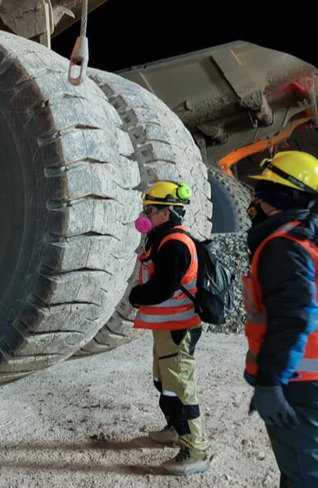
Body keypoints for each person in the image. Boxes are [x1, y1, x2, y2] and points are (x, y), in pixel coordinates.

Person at [244, 150, 318, 486]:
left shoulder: (283, 245)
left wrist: (270, 381)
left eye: (260, 191)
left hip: (299, 381)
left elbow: (292, 318)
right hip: (305, 378)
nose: (255, 200)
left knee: (303, 474)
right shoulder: (308, 237)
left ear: (276, 198)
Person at [128, 181, 210, 476]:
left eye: (149, 209)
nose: (145, 214)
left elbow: (164, 287)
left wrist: (136, 296)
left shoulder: (174, 243)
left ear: (166, 213)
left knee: (180, 388)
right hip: (169, 327)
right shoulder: (164, 239)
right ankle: (176, 428)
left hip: (179, 328)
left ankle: (196, 451)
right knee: (165, 383)